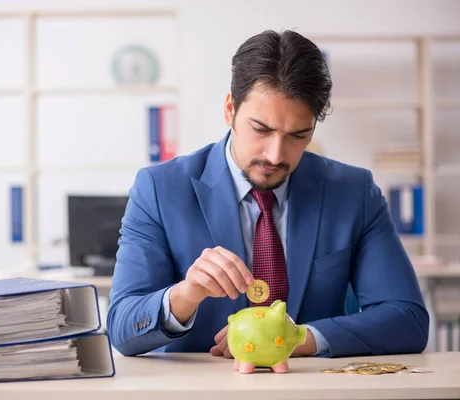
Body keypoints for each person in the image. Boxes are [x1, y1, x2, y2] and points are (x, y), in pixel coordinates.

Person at [106, 29, 429, 373]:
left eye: (297, 135)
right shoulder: (159, 188)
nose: (276, 155)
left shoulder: (353, 191)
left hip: (316, 389)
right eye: (261, 129)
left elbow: (407, 318)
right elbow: (123, 329)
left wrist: (298, 338)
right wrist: (185, 294)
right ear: (230, 109)